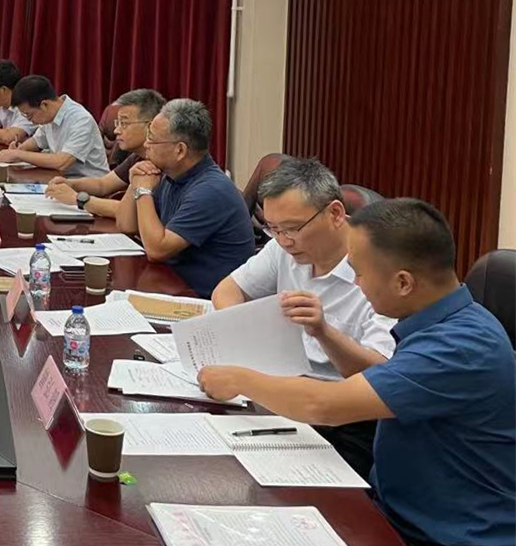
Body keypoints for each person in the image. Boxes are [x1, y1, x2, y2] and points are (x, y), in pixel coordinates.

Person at [199, 199, 515, 546]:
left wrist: (239, 379)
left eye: (359, 274)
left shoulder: (460, 347)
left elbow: (324, 406)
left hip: (443, 535)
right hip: (391, 507)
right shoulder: (440, 321)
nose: (357, 285)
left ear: (403, 283)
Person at [209, 156, 395, 476]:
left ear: (335, 213)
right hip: (280, 391)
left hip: (343, 416)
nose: (284, 241)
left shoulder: (380, 267)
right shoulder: (283, 246)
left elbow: (379, 375)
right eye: (273, 229)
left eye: (294, 228)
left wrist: (324, 331)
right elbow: (226, 291)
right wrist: (247, 337)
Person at [114, 98, 254, 297]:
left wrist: (144, 191)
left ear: (180, 150)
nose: (145, 144)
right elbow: (126, 225)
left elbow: (157, 250)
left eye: (152, 139)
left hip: (205, 298)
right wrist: (136, 181)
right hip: (170, 282)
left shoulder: (210, 190)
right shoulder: (171, 174)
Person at [45, 88, 164, 218]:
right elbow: (103, 184)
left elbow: (129, 212)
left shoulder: (164, 162)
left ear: (150, 126)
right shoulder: (137, 156)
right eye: (118, 123)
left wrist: (77, 198)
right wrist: (70, 184)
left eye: (124, 123)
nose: (116, 130)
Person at [0, 76, 109, 178]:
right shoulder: (49, 116)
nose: (29, 120)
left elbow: (62, 162)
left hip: (89, 185)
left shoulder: (81, 120)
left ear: (44, 105)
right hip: (61, 179)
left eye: (29, 115)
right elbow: (36, 142)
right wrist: (19, 149)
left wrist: (19, 154)